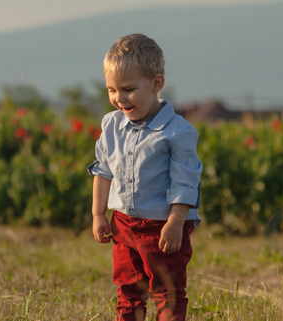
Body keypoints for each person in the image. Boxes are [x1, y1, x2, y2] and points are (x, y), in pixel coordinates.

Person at [88, 33, 202, 321]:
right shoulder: (111, 125)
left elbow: (185, 182)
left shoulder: (177, 132)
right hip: (123, 224)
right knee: (128, 289)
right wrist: (98, 214)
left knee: (168, 290)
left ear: (156, 84)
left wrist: (176, 222)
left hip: (162, 227)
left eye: (128, 89)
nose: (118, 98)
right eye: (111, 90)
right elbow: (103, 171)